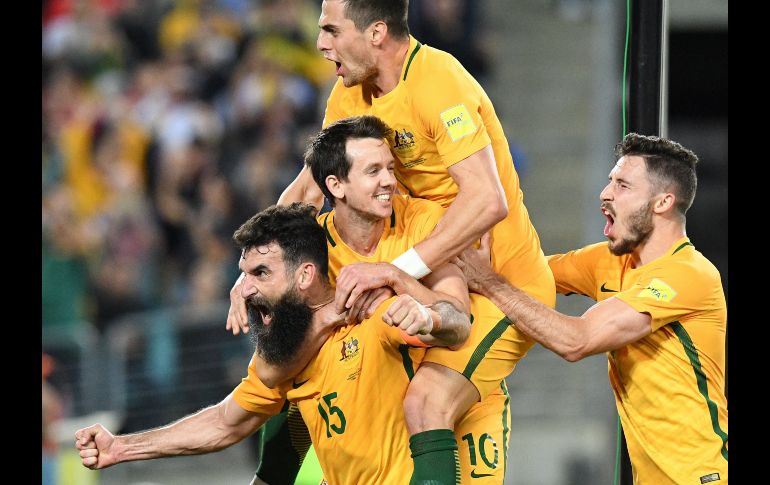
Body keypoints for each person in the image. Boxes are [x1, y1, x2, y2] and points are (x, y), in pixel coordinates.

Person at [75, 203, 472, 485]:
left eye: (260, 273)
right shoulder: (285, 359)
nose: (245, 290)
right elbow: (222, 423)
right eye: (243, 275)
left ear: (305, 276)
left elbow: (456, 327)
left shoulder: (369, 313)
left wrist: (429, 317)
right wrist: (121, 448)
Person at [251, 115, 533, 484]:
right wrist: (250, 281)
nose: (389, 181)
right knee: (292, 378)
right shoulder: (310, 249)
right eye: (373, 171)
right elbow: (272, 367)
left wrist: (396, 278)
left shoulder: (423, 220)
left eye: (390, 168)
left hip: (451, 397)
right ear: (336, 186)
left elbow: (458, 320)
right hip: (366, 408)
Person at [455, 133, 728, 484]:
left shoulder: (689, 275)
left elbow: (576, 341)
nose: (605, 193)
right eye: (610, 180)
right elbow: (528, 276)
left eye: (623, 185)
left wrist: (490, 283)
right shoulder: (608, 261)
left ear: (662, 203)